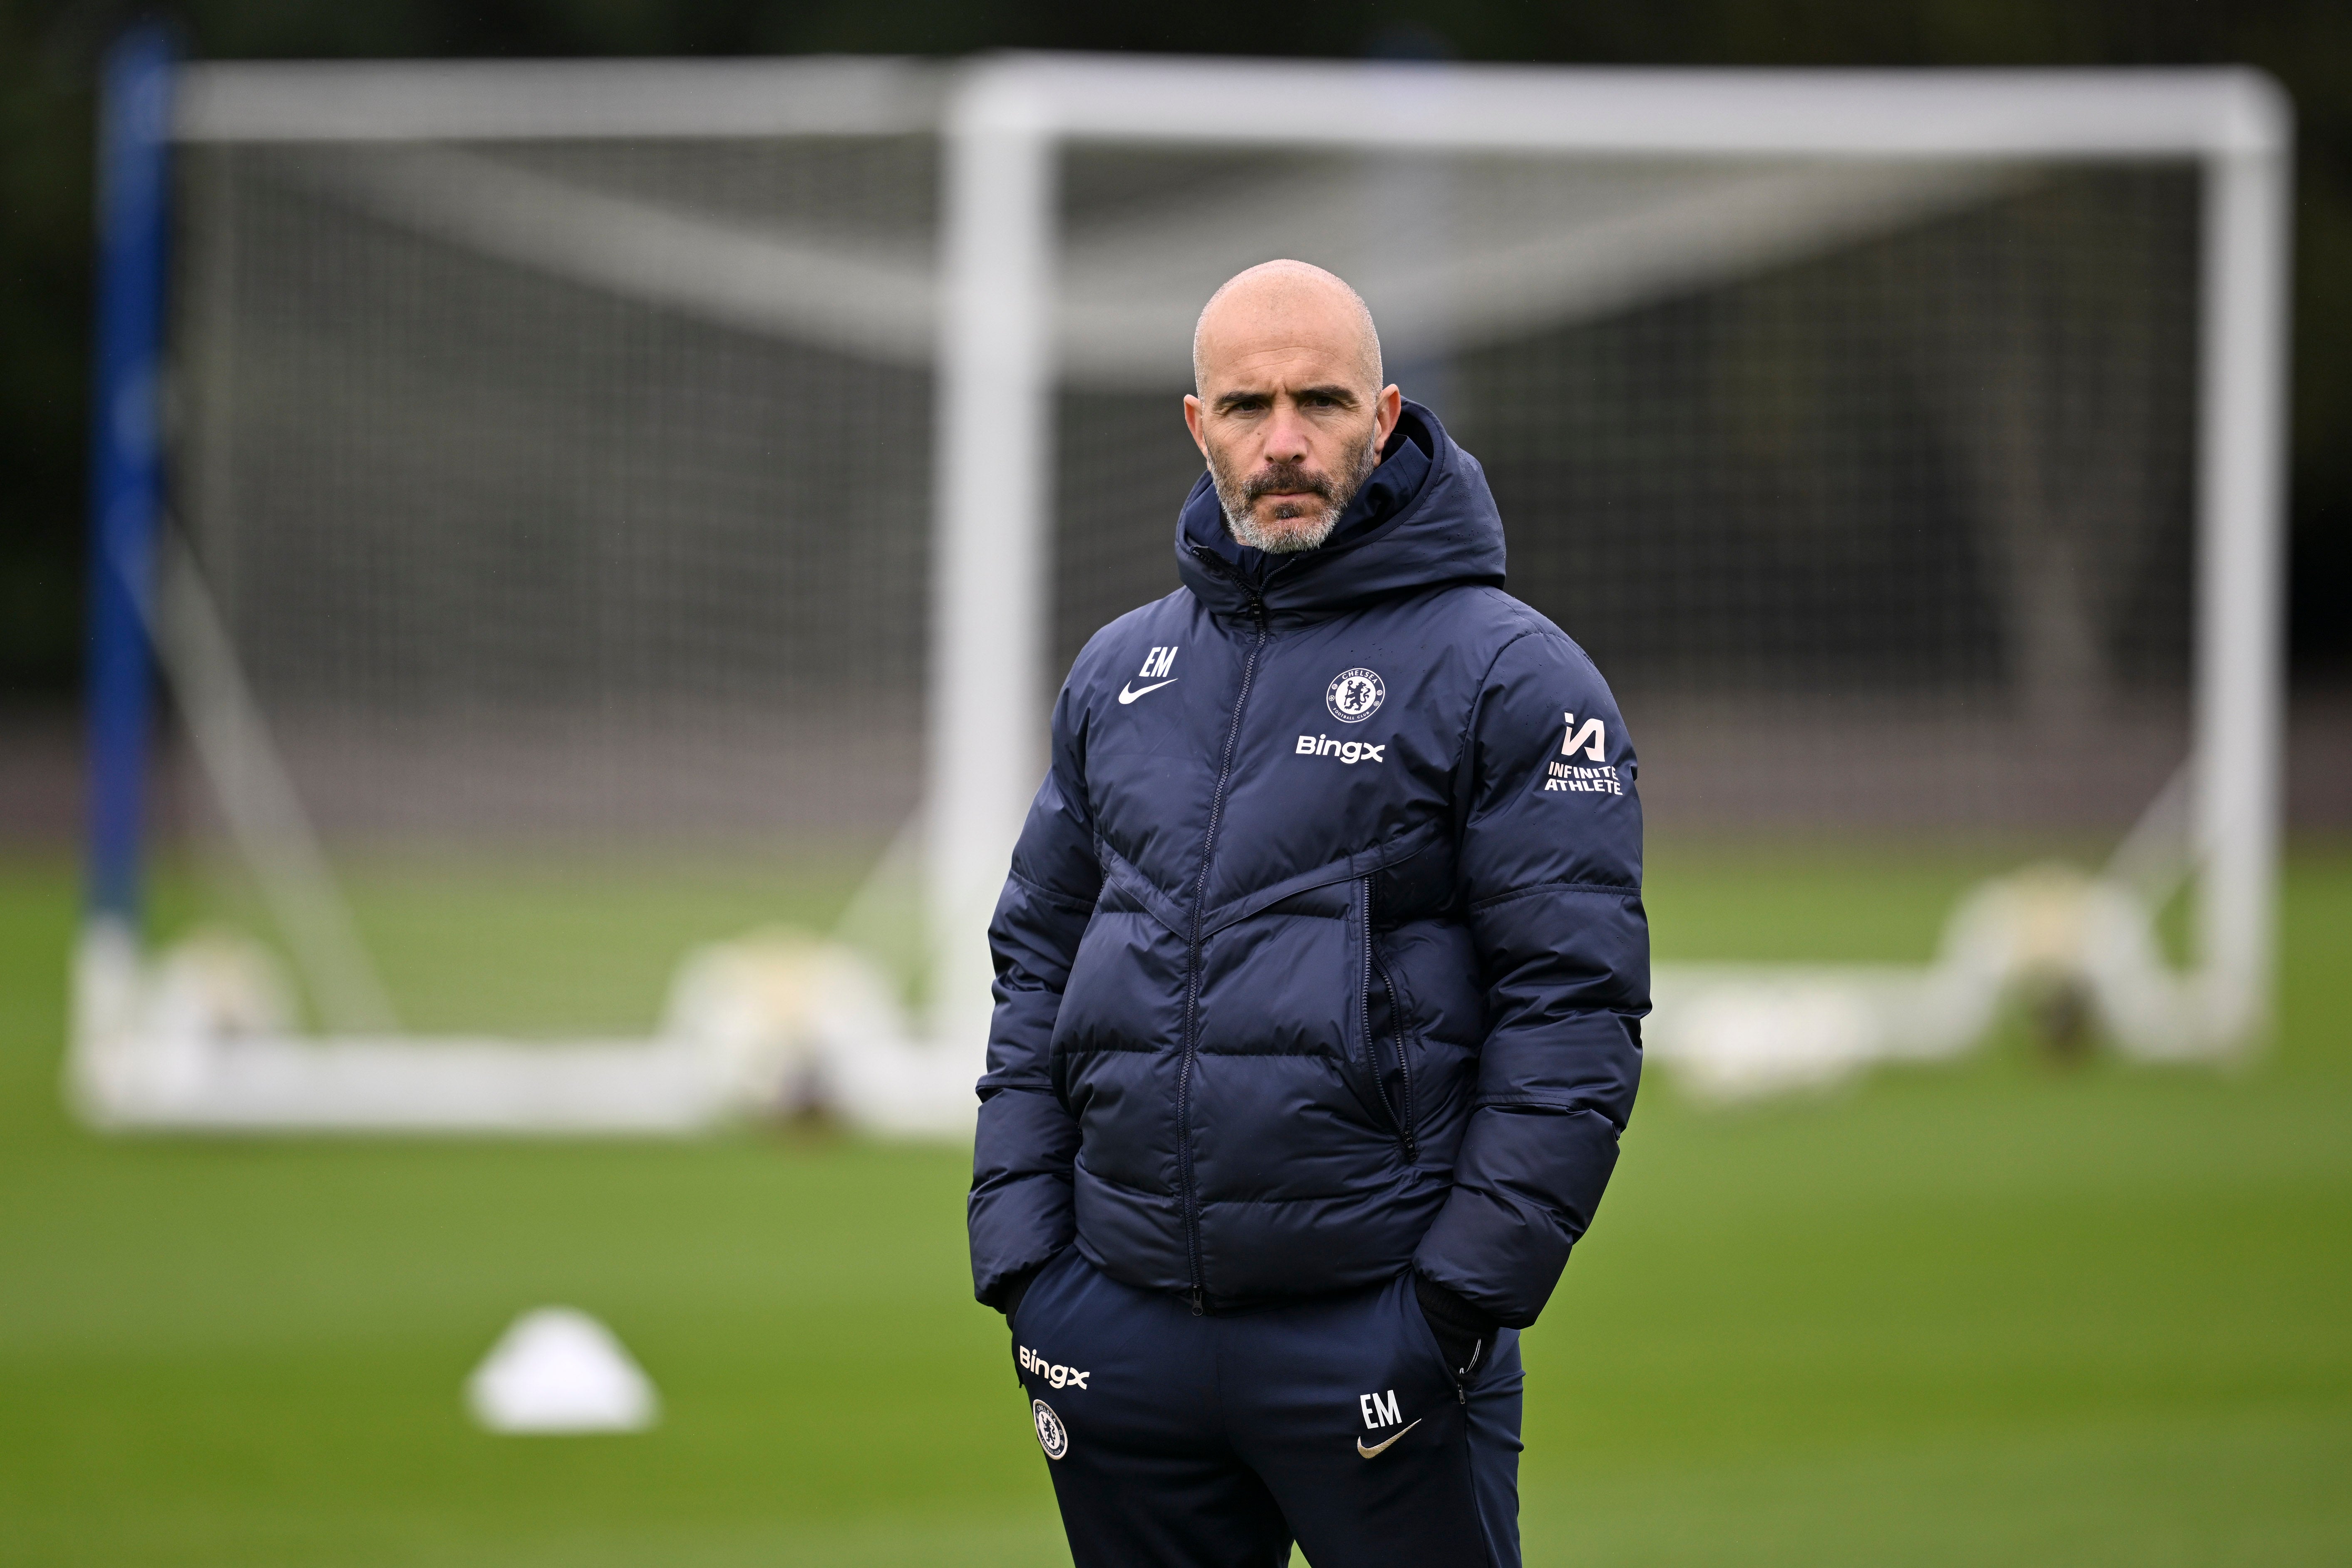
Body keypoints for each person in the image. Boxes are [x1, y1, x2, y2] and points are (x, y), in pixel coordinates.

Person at [968, 259, 1647, 1568]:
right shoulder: (1118, 673)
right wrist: (1028, 1274)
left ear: (1385, 417)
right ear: (1194, 424)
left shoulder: (1513, 674)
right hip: (1113, 1335)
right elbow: (1034, 973)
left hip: (1374, 1334)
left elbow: (1573, 1015)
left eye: (1321, 402)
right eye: (1247, 406)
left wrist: (1450, 1306)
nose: (1282, 442)